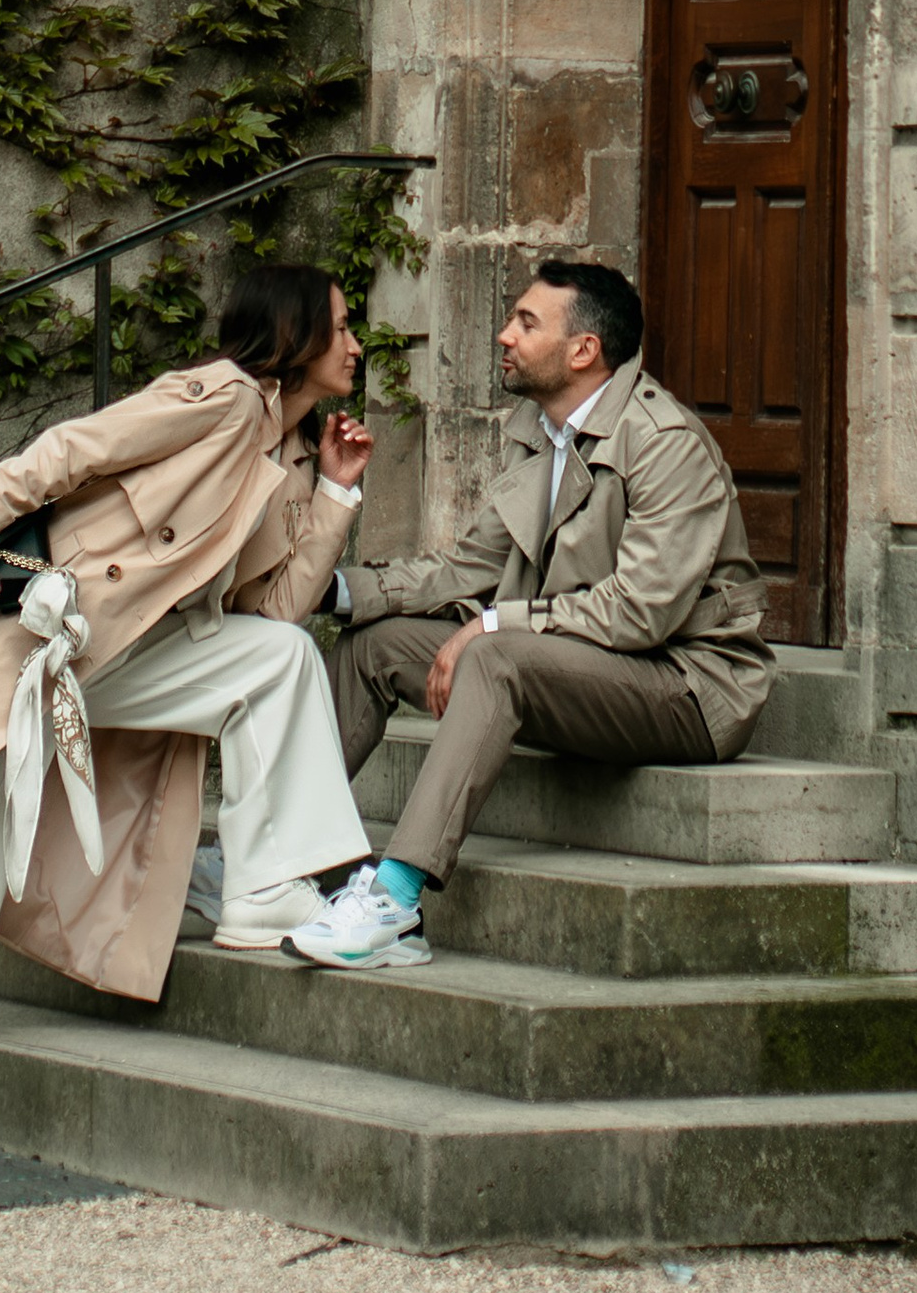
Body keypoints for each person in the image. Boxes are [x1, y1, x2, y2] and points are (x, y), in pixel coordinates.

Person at [0, 261, 377, 1142]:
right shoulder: (223, 396)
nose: (356, 343)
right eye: (342, 324)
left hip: (125, 648)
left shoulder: (286, 454)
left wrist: (335, 491)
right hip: (41, 627)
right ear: (296, 332)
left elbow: (276, 611)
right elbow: (78, 445)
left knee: (276, 659)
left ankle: (266, 888)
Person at [289, 256, 773, 970]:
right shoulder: (540, 433)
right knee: (376, 645)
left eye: (526, 322)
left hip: (690, 687)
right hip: (588, 670)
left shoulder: (666, 443)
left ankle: (395, 901)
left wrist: (492, 625)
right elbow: (467, 569)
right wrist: (327, 589)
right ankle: (282, 860)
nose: (504, 334)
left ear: (583, 350)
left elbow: (640, 612)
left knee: (495, 655)